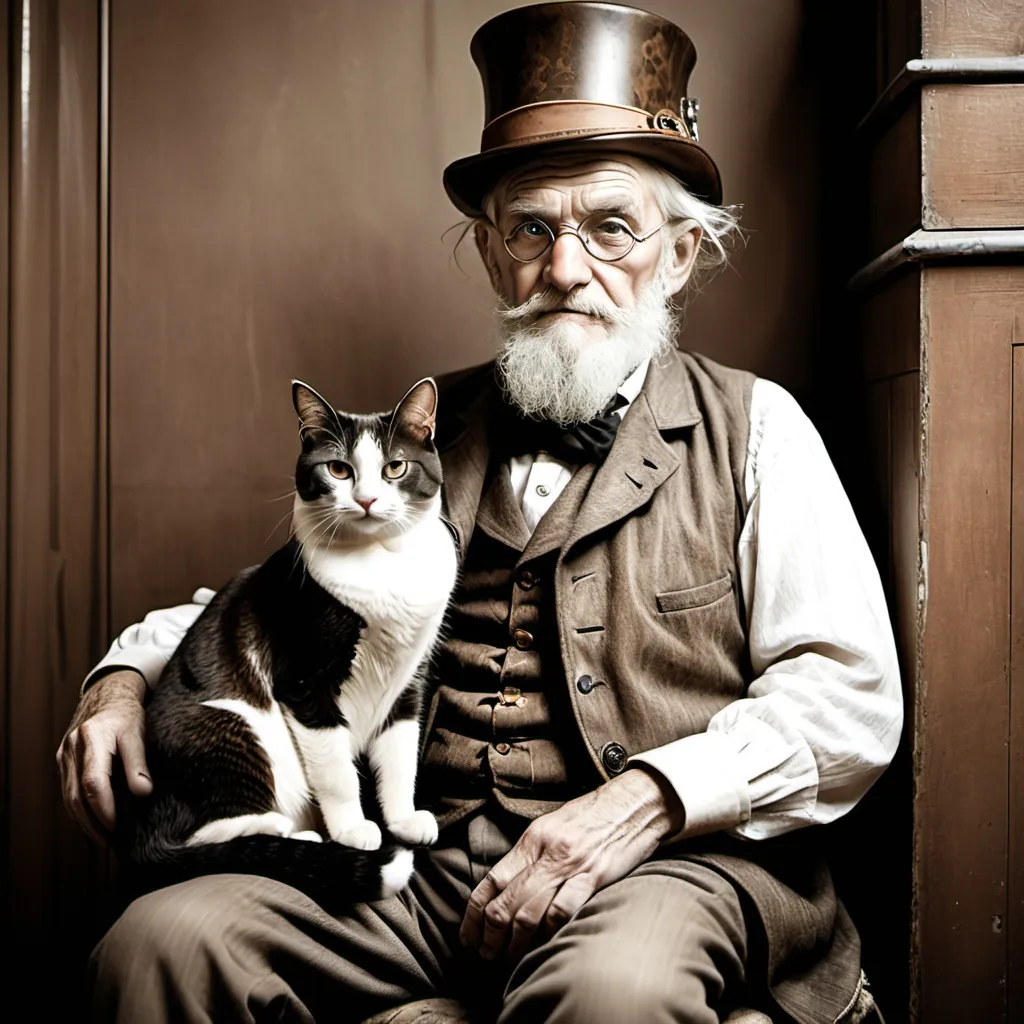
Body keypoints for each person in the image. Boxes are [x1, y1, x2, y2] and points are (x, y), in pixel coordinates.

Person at [57, 5, 901, 1023]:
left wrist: (642, 802)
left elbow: (847, 697)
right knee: (160, 946)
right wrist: (123, 675)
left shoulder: (760, 429)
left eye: (610, 228)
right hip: (423, 874)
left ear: (678, 256)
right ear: (491, 253)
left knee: (613, 993)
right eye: (531, 229)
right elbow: (268, 613)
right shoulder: (416, 439)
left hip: (663, 864)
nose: (564, 268)